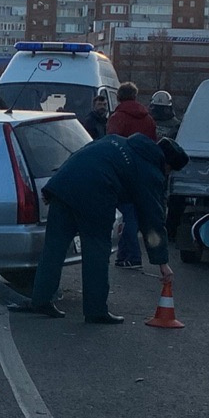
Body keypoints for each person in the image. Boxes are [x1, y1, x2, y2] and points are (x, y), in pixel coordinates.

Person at [18, 134, 189, 325]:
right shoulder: (149, 171)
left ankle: (41, 299)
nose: (167, 174)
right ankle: (96, 310)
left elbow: (78, 155)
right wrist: (162, 261)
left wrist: (51, 190)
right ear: (167, 164)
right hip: (95, 197)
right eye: (170, 170)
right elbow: (152, 219)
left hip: (63, 187)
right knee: (96, 252)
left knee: (54, 247)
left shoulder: (115, 140)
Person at [106, 82, 156, 269]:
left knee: (125, 215)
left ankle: (132, 256)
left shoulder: (118, 117)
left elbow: (111, 144)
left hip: (123, 172)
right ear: (135, 96)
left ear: (119, 97)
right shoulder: (148, 119)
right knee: (133, 212)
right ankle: (124, 255)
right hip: (144, 172)